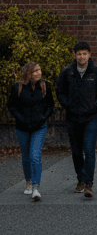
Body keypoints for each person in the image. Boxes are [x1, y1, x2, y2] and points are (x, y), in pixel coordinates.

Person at [56, 41, 97, 198]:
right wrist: (68, 105)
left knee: (89, 150)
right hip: (72, 118)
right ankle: (80, 178)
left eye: (85, 53)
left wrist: (94, 104)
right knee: (77, 152)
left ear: (89, 54)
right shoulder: (67, 72)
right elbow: (60, 92)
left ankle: (89, 184)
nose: (82, 56)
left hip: (91, 118)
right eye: (79, 54)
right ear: (74, 55)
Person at [8, 61, 54, 202]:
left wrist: (43, 117)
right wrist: (20, 118)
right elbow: (11, 105)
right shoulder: (18, 87)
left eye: (39, 70)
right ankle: (28, 181)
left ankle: (35, 187)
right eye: (34, 71)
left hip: (39, 127)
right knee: (26, 156)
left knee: (35, 156)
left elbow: (50, 105)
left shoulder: (45, 86)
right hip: (22, 128)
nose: (38, 73)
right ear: (28, 73)